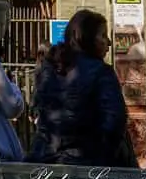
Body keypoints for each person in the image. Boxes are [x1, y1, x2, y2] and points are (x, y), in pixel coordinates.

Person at [27, 9, 130, 167]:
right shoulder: (102, 72)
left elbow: (38, 110)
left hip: (44, 160)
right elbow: (114, 123)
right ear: (86, 38)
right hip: (87, 164)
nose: (108, 42)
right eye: (103, 35)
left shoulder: (49, 68)